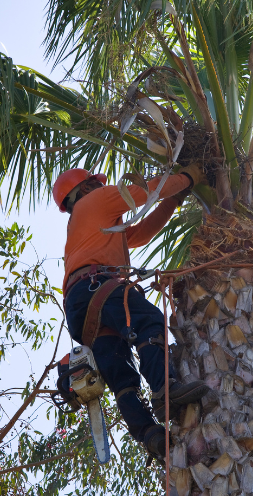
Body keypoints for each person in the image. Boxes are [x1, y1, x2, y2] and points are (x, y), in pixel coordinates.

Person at [54, 165, 209, 458]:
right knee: (149, 321)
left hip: (80, 309)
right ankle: (165, 388)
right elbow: (144, 192)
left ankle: (148, 433)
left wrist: (175, 200)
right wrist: (190, 177)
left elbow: (141, 234)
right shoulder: (95, 201)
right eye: (97, 184)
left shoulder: (88, 223)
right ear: (86, 188)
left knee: (121, 375)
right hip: (96, 286)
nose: (103, 187)